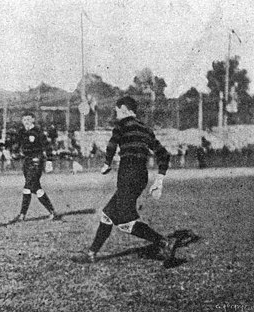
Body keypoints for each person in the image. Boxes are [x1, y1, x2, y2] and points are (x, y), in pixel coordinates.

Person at [78, 96, 175, 263]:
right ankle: (91, 252)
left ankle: (164, 242)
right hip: (141, 175)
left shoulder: (121, 125)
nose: (116, 115)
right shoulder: (145, 129)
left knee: (125, 223)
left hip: (127, 173)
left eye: (117, 111)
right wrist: (159, 180)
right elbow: (164, 155)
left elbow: (111, 144)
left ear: (124, 109)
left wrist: (106, 163)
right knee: (107, 214)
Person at [10, 112, 59, 223]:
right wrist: (15, 152)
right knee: (36, 188)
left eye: (28, 119)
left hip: (37, 160)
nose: (26, 122)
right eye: (24, 120)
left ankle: (22, 215)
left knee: (28, 186)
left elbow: (47, 146)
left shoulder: (38, 132)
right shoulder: (22, 132)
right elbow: (17, 144)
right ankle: (52, 212)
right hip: (27, 161)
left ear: (33, 120)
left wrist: (49, 160)